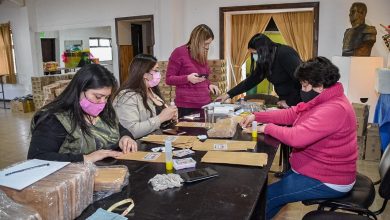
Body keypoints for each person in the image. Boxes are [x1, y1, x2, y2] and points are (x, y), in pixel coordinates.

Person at [240, 57, 358, 219]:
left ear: (320, 85)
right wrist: (256, 116)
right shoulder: (323, 98)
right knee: (266, 194)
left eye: (304, 85)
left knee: (266, 198)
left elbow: (297, 137)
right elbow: (293, 113)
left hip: (329, 179)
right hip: (314, 170)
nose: (302, 89)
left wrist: (266, 128)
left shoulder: (335, 108)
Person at [28, 64, 137, 163]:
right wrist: (86, 158)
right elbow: (36, 157)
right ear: (79, 90)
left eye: (107, 97)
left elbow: (118, 127)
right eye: (98, 97)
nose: (103, 102)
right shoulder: (55, 119)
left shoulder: (104, 111)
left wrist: (125, 137)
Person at [217, 33, 302, 109]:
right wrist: (229, 94)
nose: (254, 57)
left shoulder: (285, 54)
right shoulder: (266, 60)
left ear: (263, 51)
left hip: (298, 100)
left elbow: (301, 82)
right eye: (252, 54)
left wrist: (289, 102)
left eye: (255, 53)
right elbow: (251, 81)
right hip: (284, 100)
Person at [113, 54, 178, 139]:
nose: (158, 74)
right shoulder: (127, 96)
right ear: (144, 74)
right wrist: (161, 118)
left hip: (160, 139)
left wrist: (170, 117)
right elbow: (131, 130)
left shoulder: (152, 91)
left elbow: (161, 118)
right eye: (155, 70)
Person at [166, 24, 220, 118]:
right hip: (186, 107)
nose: (207, 47)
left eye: (209, 44)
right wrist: (187, 78)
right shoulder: (179, 52)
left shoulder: (201, 54)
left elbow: (204, 77)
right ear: (197, 41)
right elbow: (169, 79)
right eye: (206, 44)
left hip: (204, 105)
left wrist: (209, 85)